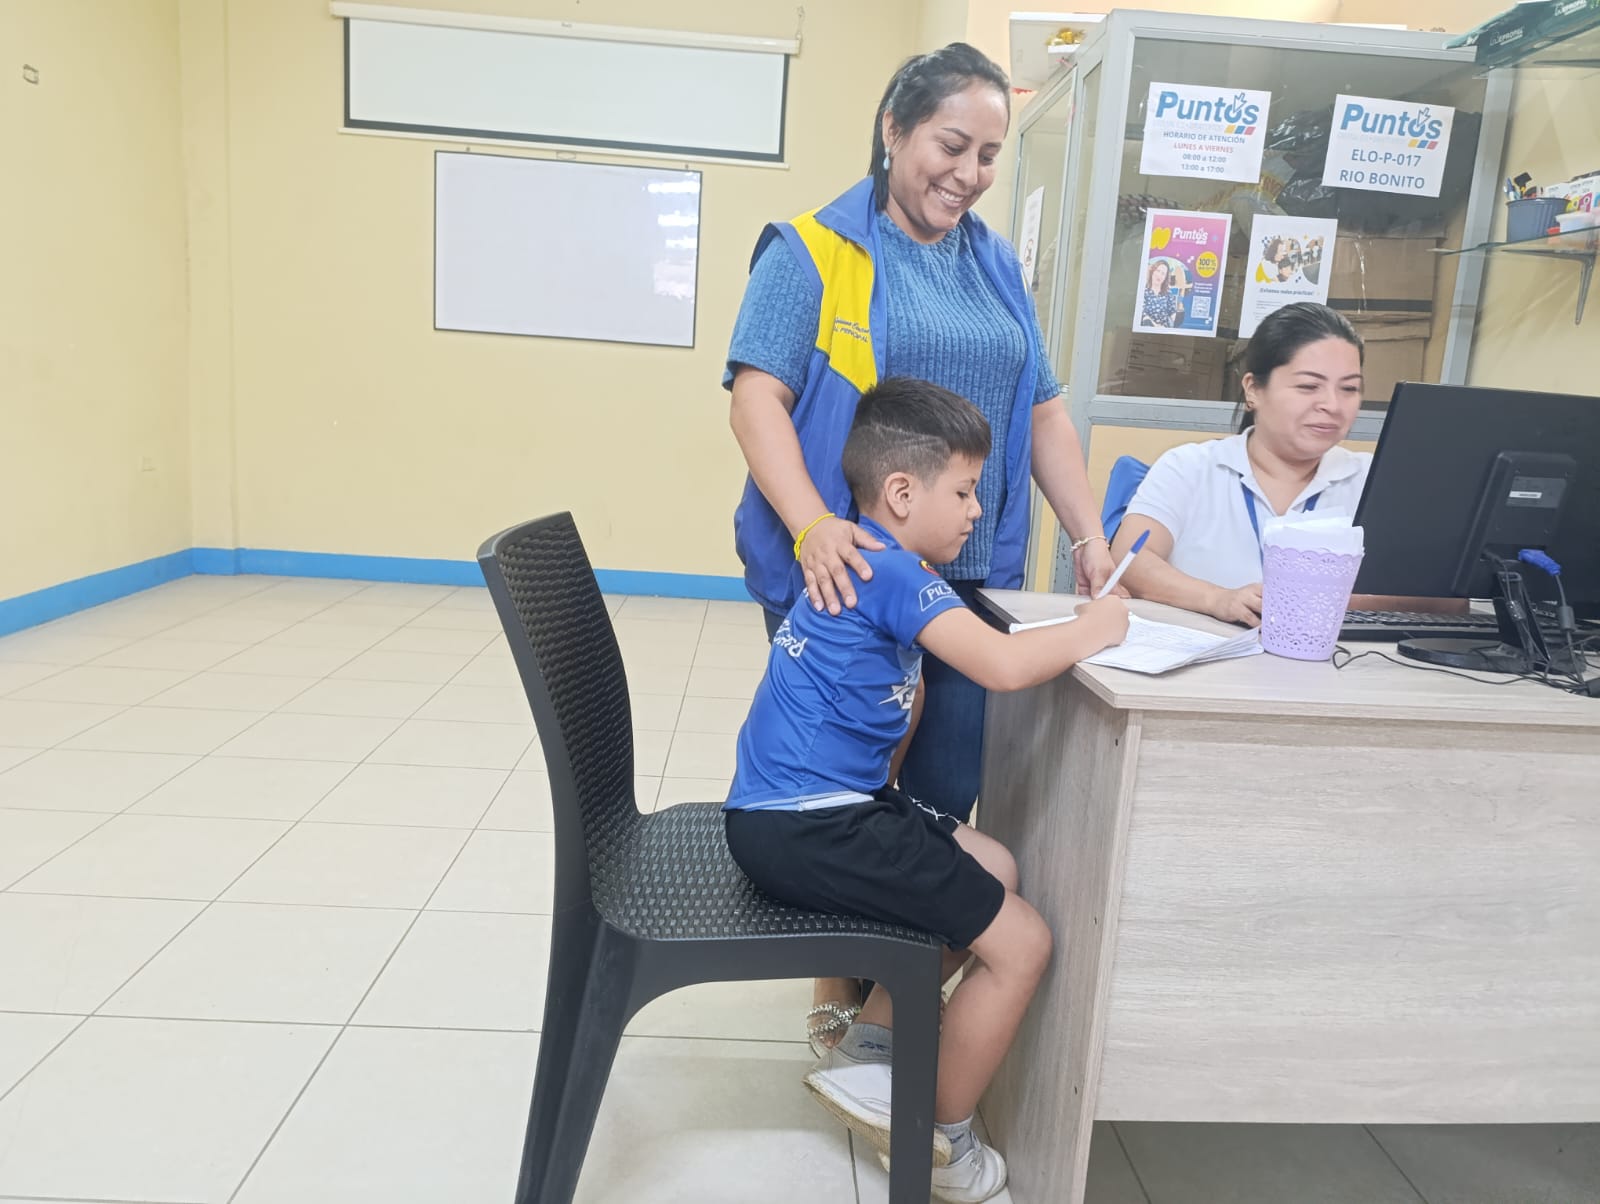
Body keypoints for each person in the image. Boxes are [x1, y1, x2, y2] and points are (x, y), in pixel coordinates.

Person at [723, 42, 1119, 1048]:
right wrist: (814, 523)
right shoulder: (812, 249)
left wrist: (1087, 532)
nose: (970, 172)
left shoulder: (993, 262)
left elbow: (1042, 408)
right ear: (893, 129)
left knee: (932, 802)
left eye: (989, 154)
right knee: (853, 788)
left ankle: (884, 1022)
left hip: (969, 577)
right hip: (852, 570)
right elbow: (757, 399)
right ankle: (834, 998)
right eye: (951, 144)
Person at [723, 378, 1129, 1202]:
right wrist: (1097, 626)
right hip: (809, 824)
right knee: (1024, 944)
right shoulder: (897, 576)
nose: (979, 511)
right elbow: (1004, 667)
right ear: (903, 494)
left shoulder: (866, 556)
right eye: (966, 491)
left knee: (995, 865)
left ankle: (870, 1054)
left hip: (799, 811)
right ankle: (937, 1136)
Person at [1110, 302, 1457, 625]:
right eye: (1308, 386)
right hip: (1206, 661)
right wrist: (1217, 599)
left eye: (1349, 389)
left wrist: (1318, 601)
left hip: (1338, 665)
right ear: (1253, 390)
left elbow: (1447, 599)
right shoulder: (1190, 467)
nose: (1332, 405)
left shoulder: (1377, 480)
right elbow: (1130, 559)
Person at [1138, 259, 1184, 328]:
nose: (1159, 275)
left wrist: (1177, 318)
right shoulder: (1144, 291)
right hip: (1148, 327)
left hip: (1165, 329)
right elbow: (1143, 314)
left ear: (1165, 278)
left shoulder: (1168, 292)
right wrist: (1156, 326)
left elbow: (1172, 311)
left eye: (1163, 273)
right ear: (1153, 271)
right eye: (1158, 271)